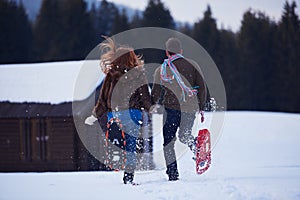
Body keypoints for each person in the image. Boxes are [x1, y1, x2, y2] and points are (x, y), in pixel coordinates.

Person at [85, 37, 152, 184]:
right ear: (132, 58)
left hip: (114, 114)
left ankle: (117, 151)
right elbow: (145, 97)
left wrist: (94, 115)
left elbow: (103, 98)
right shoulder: (139, 74)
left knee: (119, 140)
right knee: (131, 145)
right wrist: (151, 108)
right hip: (134, 114)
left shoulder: (110, 76)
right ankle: (128, 175)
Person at [151, 37, 207, 181]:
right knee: (184, 135)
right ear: (181, 51)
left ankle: (172, 173)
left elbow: (156, 92)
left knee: (168, 142)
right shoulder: (193, 64)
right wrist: (201, 106)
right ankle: (195, 146)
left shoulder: (161, 69)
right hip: (189, 108)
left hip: (170, 109)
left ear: (166, 52)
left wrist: (150, 104)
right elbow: (202, 87)